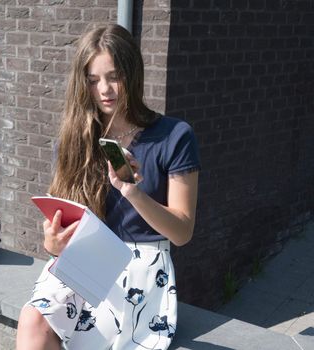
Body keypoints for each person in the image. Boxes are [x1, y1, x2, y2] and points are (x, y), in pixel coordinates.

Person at [16, 24, 200, 350]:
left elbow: (182, 231)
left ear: (133, 73)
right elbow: (66, 217)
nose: (104, 90)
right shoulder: (76, 138)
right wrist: (53, 242)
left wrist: (133, 191)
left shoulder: (174, 135)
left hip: (142, 264)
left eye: (114, 76)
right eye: (92, 80)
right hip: (87, 257)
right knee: (33, 321)